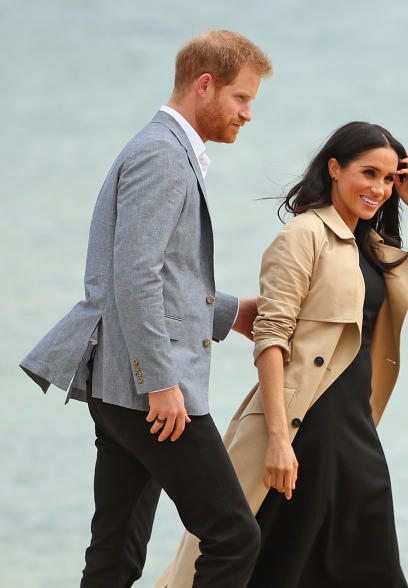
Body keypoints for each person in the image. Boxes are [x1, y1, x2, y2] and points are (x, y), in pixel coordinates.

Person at [156, 121, 408, 588]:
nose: (379, 188)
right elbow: (271, 338)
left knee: (372, 567)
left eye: (387, 178)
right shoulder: (303, 236)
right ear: (334, 168)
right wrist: (279, 440)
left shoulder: (376, 249)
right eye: (368, 173)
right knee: (280, 566)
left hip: (356, 431)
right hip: (303, 430)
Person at [18, 30, 272, 587]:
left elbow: (159, 277)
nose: (248, 114)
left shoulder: (164, 149)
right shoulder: (162, 155)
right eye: (242, 99)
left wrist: (231, 313)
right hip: (150, 392)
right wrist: (159, 380)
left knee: (116, 555)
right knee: (233, 535)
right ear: (205, 86)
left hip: (119, 386)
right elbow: (134, 278)